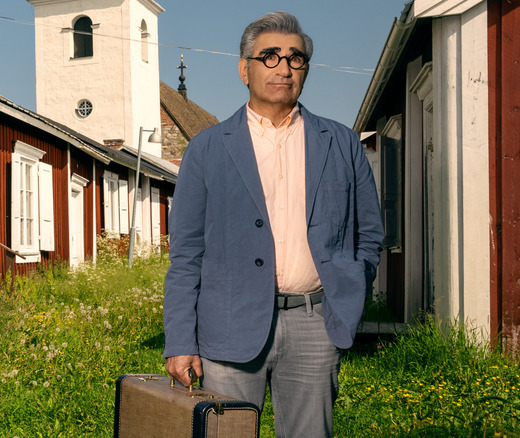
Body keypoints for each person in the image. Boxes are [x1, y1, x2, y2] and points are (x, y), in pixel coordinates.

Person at [163, 11, 383, 437]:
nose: (284, 67)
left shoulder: (341, 143)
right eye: (270, 56)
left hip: (314, 325)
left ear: (306, 69)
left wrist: (349, 292)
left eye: (295, 58)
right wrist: (179, 341)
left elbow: (368, 234)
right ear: (244, 69)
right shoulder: (207, 148)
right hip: (226, 328)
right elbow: (186, 253)